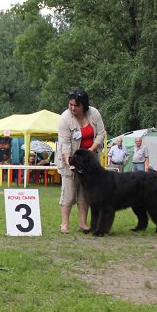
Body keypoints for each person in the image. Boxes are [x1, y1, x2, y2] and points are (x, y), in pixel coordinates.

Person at [57, 88, 106, 234]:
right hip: (72, 158)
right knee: (69, 192)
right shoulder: (65, 119)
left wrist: (91, 150)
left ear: (84, 105)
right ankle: (64, 224)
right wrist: (68, 161)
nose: (72, 108)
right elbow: (64, 143)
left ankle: (83, 223)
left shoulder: (94, 113)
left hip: (90, 160)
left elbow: (101, 133)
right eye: (70, 104)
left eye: (76, 105)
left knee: (86, 193)